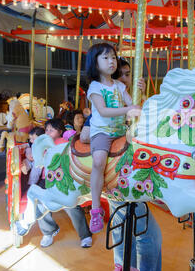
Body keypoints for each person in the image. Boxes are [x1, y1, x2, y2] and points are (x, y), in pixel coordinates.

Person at [110, 56, 162, 271]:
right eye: (121, 74)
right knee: (146, 236)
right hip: (121, 170)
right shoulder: (112, 99)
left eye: (128, 73)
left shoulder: (130, 98)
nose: (126, 78)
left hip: (130, 169)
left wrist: (144, 96)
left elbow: (149, 121)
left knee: (125, 234)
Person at [85, 43, 142, 234]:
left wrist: (138, 98)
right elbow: (102, 110)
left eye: (113, 57)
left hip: (120, 131)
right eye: (106, 57)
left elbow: (131, 105)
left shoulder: (119, 85)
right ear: (95, 62)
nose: (111, 61)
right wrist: (129, 109)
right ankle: (95, 208)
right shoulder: (95, 87)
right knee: (99, 161)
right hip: (102, 132)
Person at [33, 118, 92, 248]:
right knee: (40, 201)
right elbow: (35, 158)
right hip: (47, 179)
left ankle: (85, 235)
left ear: (60, 131)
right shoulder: (44, 144)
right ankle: (48, 231)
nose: (48, 132)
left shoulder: (65, 143)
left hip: (64, 178)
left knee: (72, 205)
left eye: (51, 130)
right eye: (46, 130)